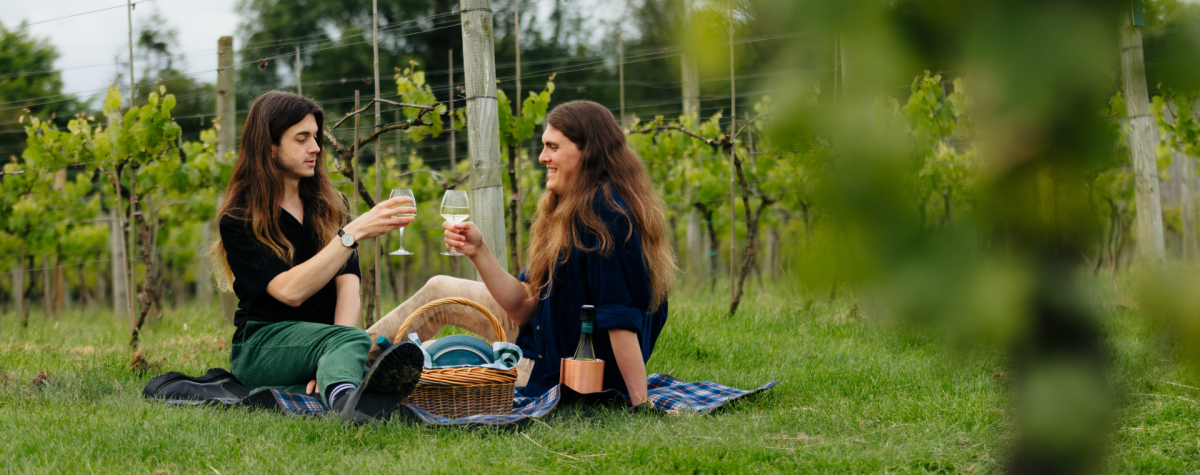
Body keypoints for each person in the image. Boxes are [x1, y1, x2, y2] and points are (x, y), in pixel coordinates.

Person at [373, 100, 677, 405]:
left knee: (432, 358)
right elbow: (522, 306)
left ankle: (356, 375)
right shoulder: (568, 205)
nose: (543, 157)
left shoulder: (605, 214)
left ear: (589, 151)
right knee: (439, 290)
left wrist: (640, 401)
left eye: (553, 147)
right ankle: (353, 356)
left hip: (557, 371)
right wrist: (478, 250)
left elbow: (619, 317)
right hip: (537, 339)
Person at [210, 91, 424, 422]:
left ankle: (335, 379)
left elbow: (348, 286)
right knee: (357, 346)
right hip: (263, 344)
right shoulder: (240, 218)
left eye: (316, 137)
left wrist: (335, 351)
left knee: (377, 334)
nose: (316, 148)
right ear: (270, 147)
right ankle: (347, 404)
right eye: (302, 139)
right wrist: (352, 233)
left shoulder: (331, 205)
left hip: (327, 340)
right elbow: (290, 291)